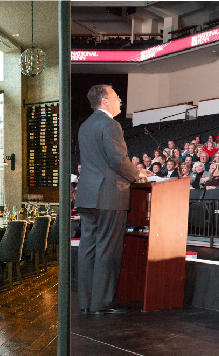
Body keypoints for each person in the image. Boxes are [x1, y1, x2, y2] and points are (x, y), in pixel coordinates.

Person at [76, 84, 151, 315]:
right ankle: (102, 303)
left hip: (87, 195)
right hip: (109, 194)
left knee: (88, 248)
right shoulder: (110, 124)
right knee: (108, 249)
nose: (120, 100)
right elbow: (117, 159)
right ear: (105, 101)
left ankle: (87, 302)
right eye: (117, 97)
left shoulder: (85, 125)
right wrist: (137, 173)